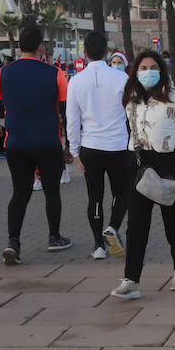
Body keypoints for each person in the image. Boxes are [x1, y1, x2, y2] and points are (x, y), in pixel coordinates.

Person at [108, 50, 175, 299]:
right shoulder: (131, 98)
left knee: (174, 223)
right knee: (136, 227)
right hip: (139, 167)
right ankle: (131, 280)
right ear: (135, 72)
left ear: (161, 70)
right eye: (143, 68)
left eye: (153, 67)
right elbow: (129, 129)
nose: (148, 72)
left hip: (169, 167)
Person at [0, 25, 72, 265]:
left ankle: (13, 241)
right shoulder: (55, 73)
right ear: (41, 47)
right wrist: (69, 145)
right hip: (47, 142)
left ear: (19, 46)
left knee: (20, 193)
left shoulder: (4, 72)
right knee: (52, 191)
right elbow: (67, 111)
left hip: (16, 143)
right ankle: (54, 237)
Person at [66, 31, 131, 260]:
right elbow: (132, 114)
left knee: (94, 195)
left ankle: (98, 246)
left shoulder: (76, 81)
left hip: (90, 146)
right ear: (106, 52)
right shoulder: (121, 79)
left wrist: (75, 152)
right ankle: (112, 226)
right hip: (118, 145)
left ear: (85, 52)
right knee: (121, 192)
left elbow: (72, 120)